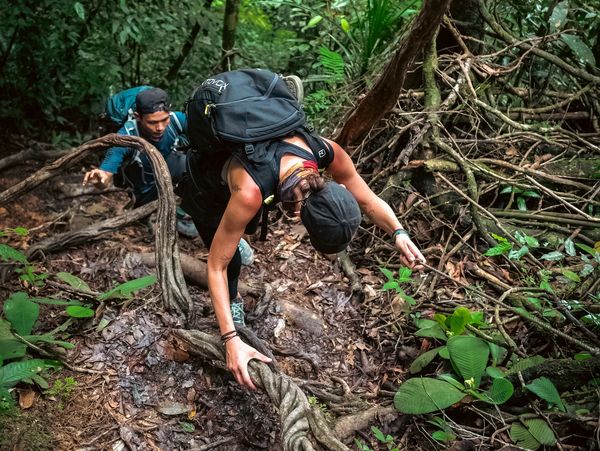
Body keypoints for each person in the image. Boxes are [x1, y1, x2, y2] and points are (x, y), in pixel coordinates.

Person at [178, 78, 426, 390]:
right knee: (230, 261)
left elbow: (368, 199)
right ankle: (233, 303)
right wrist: (230, 340)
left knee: (248, 225)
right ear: (302, 217)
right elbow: (215, 266)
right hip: (207, 186)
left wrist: (398, 232)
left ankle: (237, 239)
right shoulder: (251, 192)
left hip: (250, 179)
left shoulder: (325, 151)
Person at [83, 87, 199, 238]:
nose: (160, 128)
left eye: (164, 120)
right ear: (138, 117)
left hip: (168, 166)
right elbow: (105, 175)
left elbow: (203, 132)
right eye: (152, 122)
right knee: (144, 214)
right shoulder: (125, 138)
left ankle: (181, 212)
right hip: (145, 189)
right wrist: (100, 179)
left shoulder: (176, 120)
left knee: (193, 165)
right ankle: (145, 217)